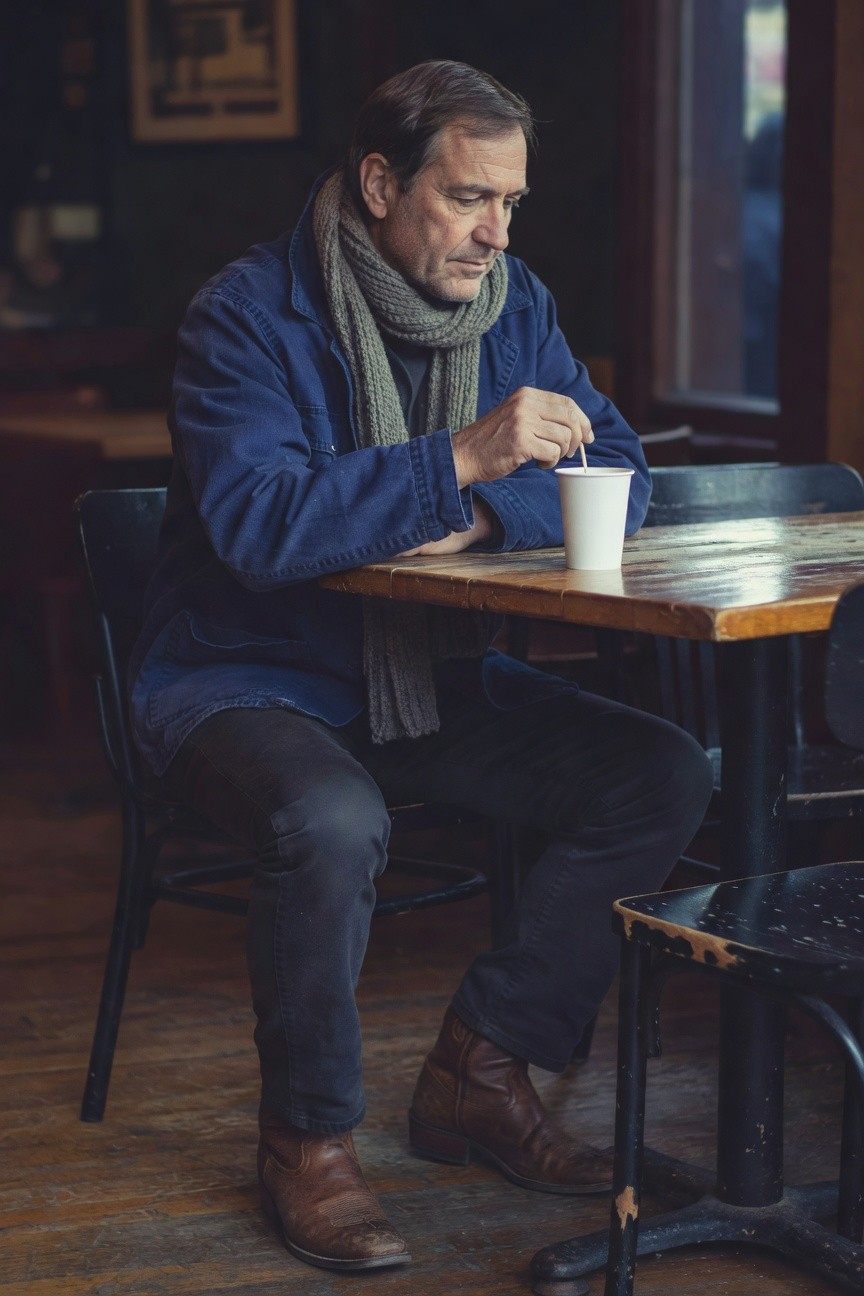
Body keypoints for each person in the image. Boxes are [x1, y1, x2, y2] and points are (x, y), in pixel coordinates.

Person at [128, 60, 714, 1274]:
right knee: (329, 819)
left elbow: (625, 472)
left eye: (513, 203)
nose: (495, 234)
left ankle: (481, 1074)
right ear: (381, 181)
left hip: (425, 679)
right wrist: (457, 461)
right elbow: (257, 524)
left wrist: (494, 517)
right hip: (243, 677)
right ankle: (306, 1145)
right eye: (467, 199)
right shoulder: (244, 314)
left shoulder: (516, 304)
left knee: (658, 772)